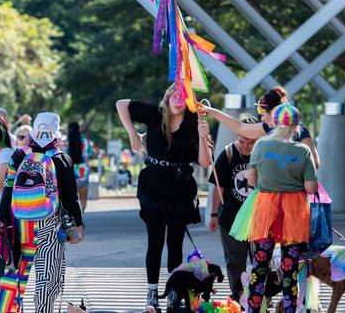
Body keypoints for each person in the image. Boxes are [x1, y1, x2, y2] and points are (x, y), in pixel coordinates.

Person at [115, 85, 213, 310]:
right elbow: (121, 104)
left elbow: (205, 163)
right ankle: (151, 291)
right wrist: (132, 133)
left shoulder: (192, 125)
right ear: (167, 97)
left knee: (175, 243)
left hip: (180, 188)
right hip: (153, 185)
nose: (179, 100)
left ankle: (173, 289)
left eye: (185, 97)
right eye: (176, 95)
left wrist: (203, 136)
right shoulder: (155, 115)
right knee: (155, 241)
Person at [229, 104, 317, 313]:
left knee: (260, 266)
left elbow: (251, 181)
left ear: (275, 123)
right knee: (289, 268)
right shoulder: (303, 151)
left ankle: (253, 309)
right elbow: (311, 189)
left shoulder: (260, 146)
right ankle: (289, 310)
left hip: (265, 209)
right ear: (296, 125)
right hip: (293, 214)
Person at [0, 112, 84, 313]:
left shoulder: (18, 155)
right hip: (51, 225)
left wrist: (1, 218)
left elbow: (8, 188)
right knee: (47, 278)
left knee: (15, 275)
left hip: (21, 226)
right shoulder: (62, 158)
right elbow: (71, 196)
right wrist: (78, 225)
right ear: (56, 133)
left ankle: (7, 309)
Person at [202, 86, 320, 169]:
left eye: (263, 114)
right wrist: (210, 110)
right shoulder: (268, 128)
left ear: (273, 112)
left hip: (294, 194)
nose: (262, 119)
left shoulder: (299, 130)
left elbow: (315, 163)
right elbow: (240, 127)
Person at [208, 113, 258, 301]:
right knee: (235, 261)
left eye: (250, 142)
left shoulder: (262, 155)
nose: (245, 146)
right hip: (231, 218)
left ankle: (258, 296)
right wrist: (214, 214)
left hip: (257, 218)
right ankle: (238, 296)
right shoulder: (228, 154)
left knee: (259, 260)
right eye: (242, 141)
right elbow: (218, 188)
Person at [67, 122, 97, 211]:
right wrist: (88, 156)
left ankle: (73, 220)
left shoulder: (64, 143)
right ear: (79, 130)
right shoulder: (87, 142)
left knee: (70, 199)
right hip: (83, 174)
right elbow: (96, 152)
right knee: (83, 198)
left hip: (69, 174)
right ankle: (80, 218)